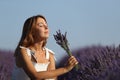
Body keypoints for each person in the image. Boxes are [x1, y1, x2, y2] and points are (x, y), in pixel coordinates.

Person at [12, 14, 78, 80]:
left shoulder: (49, 55)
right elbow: (35, 76)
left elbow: (52, 79)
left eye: (46, 25)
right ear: (31, 31)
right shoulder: (23, 52)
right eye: (41, 25)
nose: (46, 27)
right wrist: (65, 69)